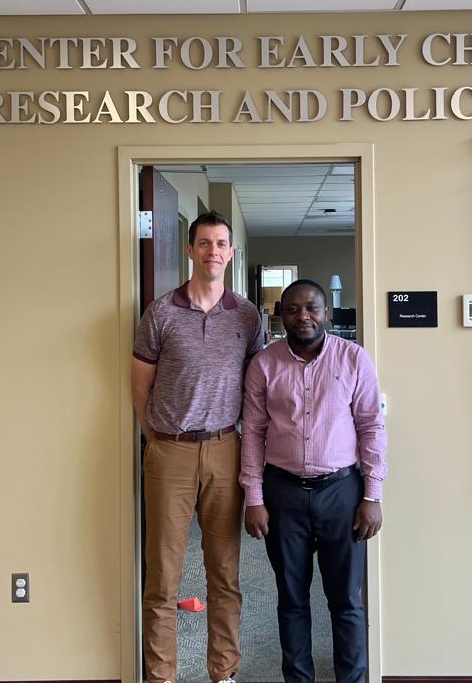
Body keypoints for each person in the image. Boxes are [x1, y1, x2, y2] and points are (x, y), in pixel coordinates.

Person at [131, 210, 264, 683]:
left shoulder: (248, 315)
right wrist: (158, 440)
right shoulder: (161, 311)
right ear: (190, 250)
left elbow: (257, 388)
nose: (213, 251)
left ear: (230, 252)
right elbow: (139, 387)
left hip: (227, 449)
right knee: (162, 576)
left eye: (221, 243)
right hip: (170, 452)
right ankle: (161, 676)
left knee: (225, 574)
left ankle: (223, 673)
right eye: (204, 243)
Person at [241, 279, 387, 683]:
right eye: (292, 309)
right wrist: (254, 497)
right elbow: (252, 432)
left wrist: (372, 495)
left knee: (345, 602)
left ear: (328, 313)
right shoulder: (264, 365)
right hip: (282, 493)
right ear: (280, 315)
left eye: (312, 308)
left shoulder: (355, 360)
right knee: (292, 599)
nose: (303, 316)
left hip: (343, 492)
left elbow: (372, 427)